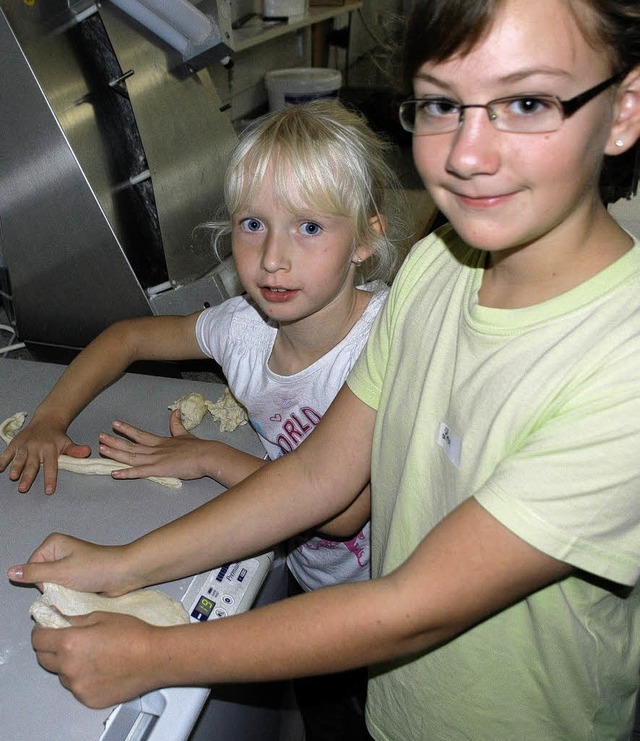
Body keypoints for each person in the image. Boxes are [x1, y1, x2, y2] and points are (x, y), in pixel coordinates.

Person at [7, 0, 640, 738]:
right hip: (402, 706)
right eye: (441, 103)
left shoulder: (623, 360)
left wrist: (158, 653)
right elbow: (316, 477)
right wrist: (124, 566)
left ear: (624, 108)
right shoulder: (439, 268)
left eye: (526, 102)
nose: (468, 154)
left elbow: (410, 605)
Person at [1, 100, 405, 741]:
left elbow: (341, 511)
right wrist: (50, 417)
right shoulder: (244, 330)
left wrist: (208, 457)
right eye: (253, 224)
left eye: (308, 228)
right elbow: (128, 337)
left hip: (389, 594)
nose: (272, 258)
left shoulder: (385, 340)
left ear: (365, 240)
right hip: (308, 575)